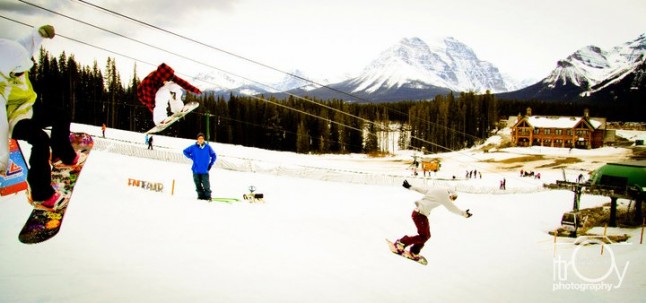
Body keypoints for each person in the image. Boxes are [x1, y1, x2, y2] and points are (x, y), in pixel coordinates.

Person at [0, 25, 81, 210]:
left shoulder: (12, 54)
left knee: (61, 114)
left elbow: (26, 45)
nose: (22, 75)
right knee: (40, 140)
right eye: (18, 73)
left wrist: (39, 34)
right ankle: (40, 193)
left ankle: (61, 153)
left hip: (31, 106)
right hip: (14, 119)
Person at [393, 180, 472, 260]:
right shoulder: (444, 195)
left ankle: (414, 250)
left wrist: (410, 187)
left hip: (419, 214)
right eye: (452, 197)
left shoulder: (436, 190)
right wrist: (463, 213)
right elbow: (451, 208)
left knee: (426, 236)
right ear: (451, 194)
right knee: (424, 237)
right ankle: (401, 243)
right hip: (419, 215)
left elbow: (423, 190)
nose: (451, 200)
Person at [137, 63, 202, 126]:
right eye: (168, 79)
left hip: (159, 86)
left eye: (170, 78)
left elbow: (182, 83)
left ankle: (178, 108)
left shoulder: (167, 75)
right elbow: (150, 102)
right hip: (144, 96)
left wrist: (196, 90)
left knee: (174, 85)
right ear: (162, 78)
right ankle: (160, 119)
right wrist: (155, 112)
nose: (169, 80)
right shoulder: (149, 83)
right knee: (162, 93)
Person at [183, 133, 216, 200]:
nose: (200, 140)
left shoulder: (208, 147)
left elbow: (214, 155)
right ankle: (200, 196)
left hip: (204, 170)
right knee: (197, 184)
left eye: (202, 138)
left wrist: (211, 164)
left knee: (206, 184)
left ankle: (208, 196)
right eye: (199, 138)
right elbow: (185, 151)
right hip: (196, 169)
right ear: (197, 139)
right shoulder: (193, 147)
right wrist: (191, 157)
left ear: (204, 139)